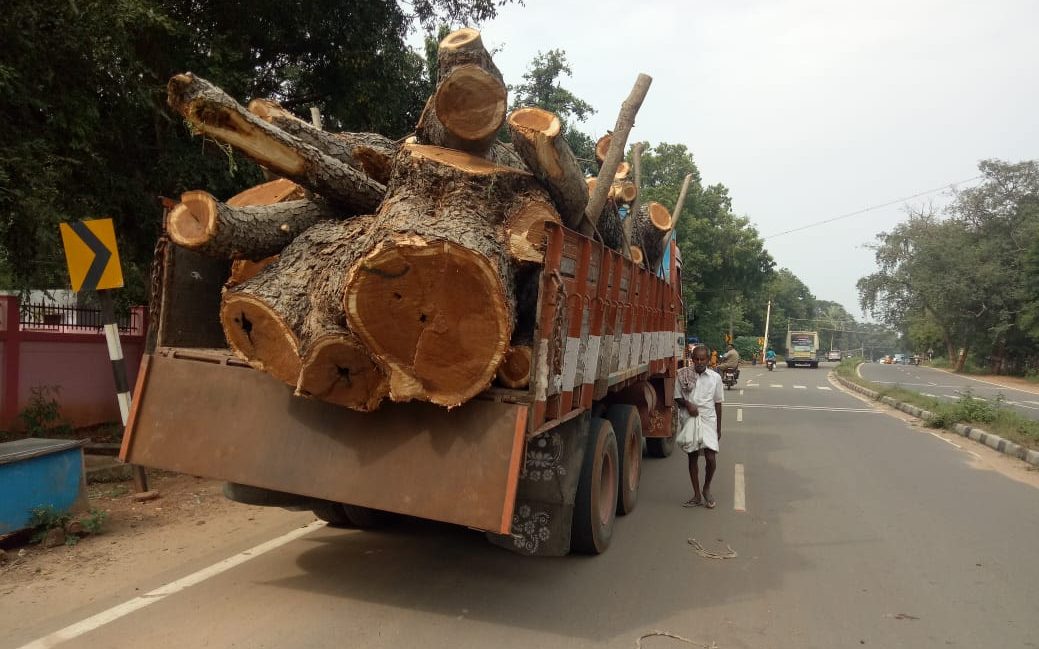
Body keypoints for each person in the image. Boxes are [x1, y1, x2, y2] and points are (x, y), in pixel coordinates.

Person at [675, 346, 724, 509]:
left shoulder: (715, 378)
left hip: (709, 419)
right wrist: (687, 404)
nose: (700, 362)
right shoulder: (683, 375)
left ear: (708, 360)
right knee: (693, 456)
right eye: (696, 359)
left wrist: (718, 428)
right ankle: (696, 494)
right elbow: (677, 397)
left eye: (703, 359)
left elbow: (718, 403)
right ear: (692, 358)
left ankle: (706, 488)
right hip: (689, 419)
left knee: (711, 458)